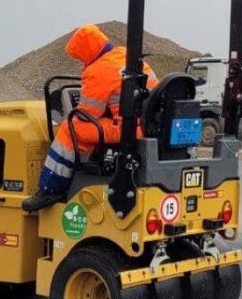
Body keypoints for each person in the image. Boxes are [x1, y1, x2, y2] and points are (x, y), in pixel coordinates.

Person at [22, 24, 159, 212]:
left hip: (128, 127)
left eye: (80, 57)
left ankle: (51, 188)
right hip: (148, 124)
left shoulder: (98, 71)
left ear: (86, 51)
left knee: (70, 129)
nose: (81, 61)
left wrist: (71, 115)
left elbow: (88, 114)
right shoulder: (127, 56)